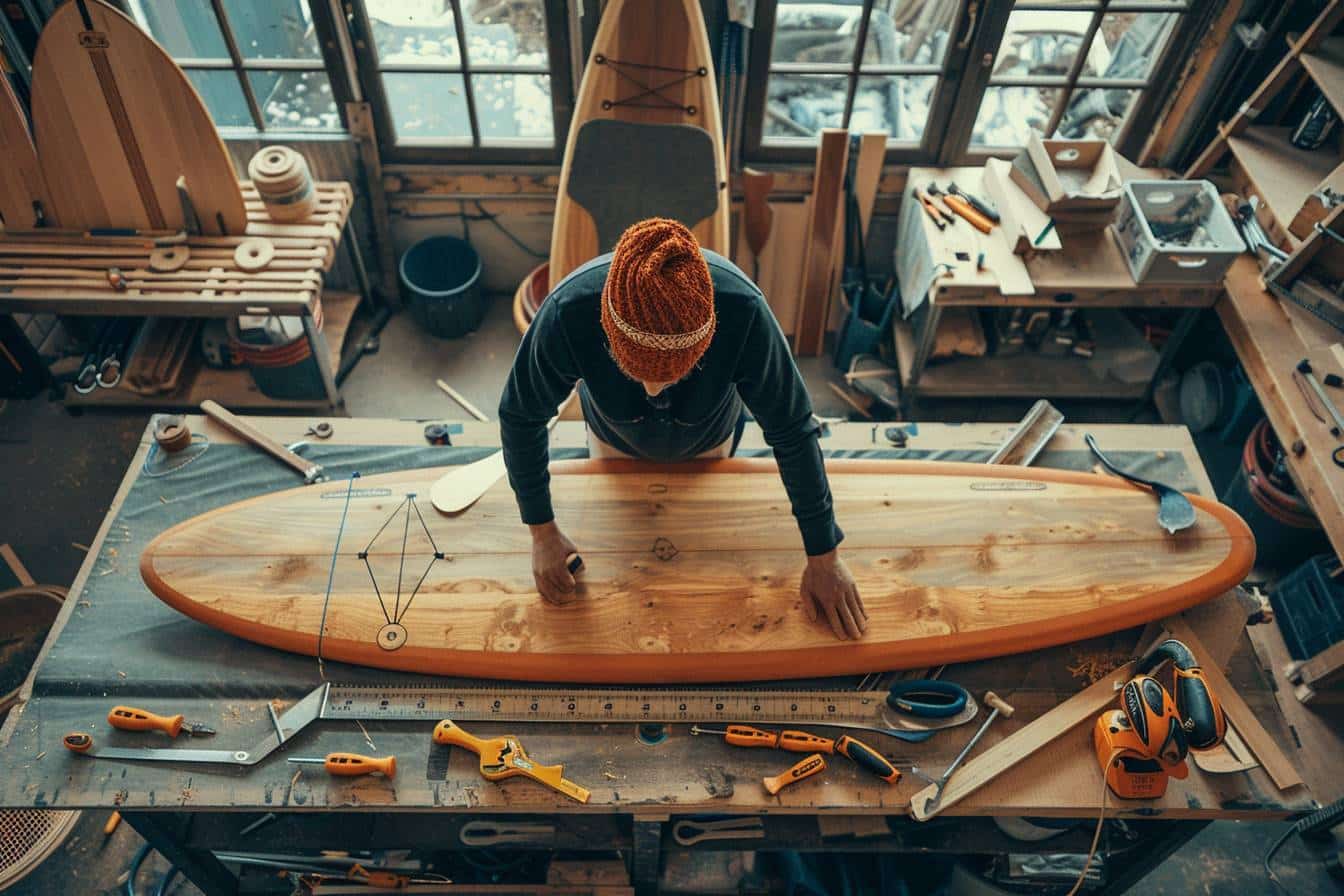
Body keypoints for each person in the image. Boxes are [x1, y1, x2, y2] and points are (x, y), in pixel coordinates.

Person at [498, 218, 867, 640]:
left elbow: (792, 428)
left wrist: (824, 554)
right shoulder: (568, 313)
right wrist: (541, 532)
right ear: (606, 332)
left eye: (674, 374)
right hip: (611, 443)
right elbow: (520, 415)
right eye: (636, 371)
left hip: (712, 442)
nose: (654, 390)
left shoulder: (744, 310)